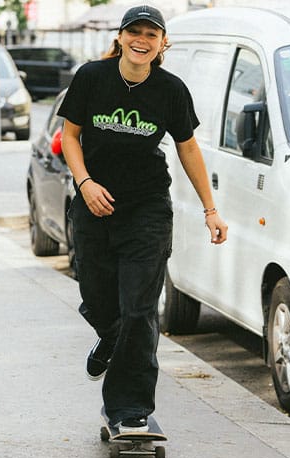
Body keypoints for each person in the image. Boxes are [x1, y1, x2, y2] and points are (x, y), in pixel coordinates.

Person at [57, 4, 228, 434]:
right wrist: (85, 183)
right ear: (120, 37)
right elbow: (70, 136)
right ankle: (111, 338)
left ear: (162, 44)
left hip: (146, 209)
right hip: (93, 205)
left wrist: (211, 210)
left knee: (140, 309)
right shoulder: (92, 78)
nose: (141, 40)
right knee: (98, 297)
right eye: (134, 32)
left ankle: (129, 410)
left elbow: (188, 148)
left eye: (151, 34)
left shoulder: (171, 90)